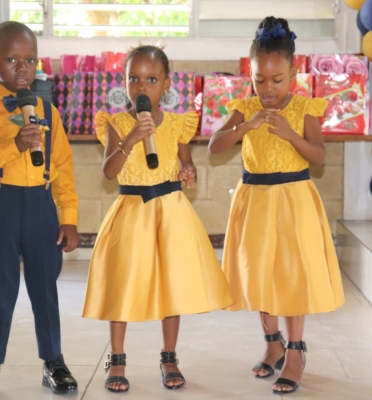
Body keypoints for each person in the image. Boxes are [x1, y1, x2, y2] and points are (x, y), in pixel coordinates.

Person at [82, 43, 234, 393]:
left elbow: (186, 162)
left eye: (151, 80)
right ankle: (116, 358)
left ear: (166, 84)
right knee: (122, 284)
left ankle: (169, 356)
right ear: (124, 82)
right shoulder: (117, 123)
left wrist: (189, 172)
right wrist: (131, 139)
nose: (141, 87)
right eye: (133, 79)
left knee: (171, 284)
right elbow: (109, 171)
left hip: (170, 212)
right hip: (132, 212)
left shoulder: (178, 124)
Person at [208, 16, 345, 395]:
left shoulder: (304, 108)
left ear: (293, 73)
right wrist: (245, 126)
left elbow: (318, 156)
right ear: (250, 75)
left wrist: (290, 134)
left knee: (291, 273)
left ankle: (296, 351)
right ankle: (273, 344)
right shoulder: (245, 107)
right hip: (255, 201)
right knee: (260, 272)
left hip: (293, 200)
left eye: (277, 80)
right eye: (259, 80)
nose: (268, 89)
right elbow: (214, 146)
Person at [0, 21, 79, 399]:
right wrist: (14, 146)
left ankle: (53, 361)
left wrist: (69, 218)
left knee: (45, 291)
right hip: (1, 209)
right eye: (11, 60)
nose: (21, 68)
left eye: (29, 60)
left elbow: (62, 168)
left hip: (41, 209)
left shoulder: (48, 111)